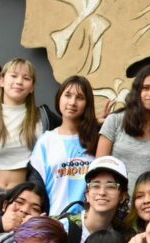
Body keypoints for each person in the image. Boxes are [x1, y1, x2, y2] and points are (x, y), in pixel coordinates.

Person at [97, 65, 150, 192]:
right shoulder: (115, 120)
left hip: (145, 203)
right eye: (146, 88)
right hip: (113, 203)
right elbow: (98, 167)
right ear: (137, 91)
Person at [30, 76, 99, 217]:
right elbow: (36, 187)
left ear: (87, 103)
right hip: (55, 221)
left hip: (91, 222)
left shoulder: (97, 140)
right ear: (59, 98)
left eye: (80, 98)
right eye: (67, 95)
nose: (72, 102)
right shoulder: (46, 141)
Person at [0, 59, 50, 190]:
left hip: (26, 198)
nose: (19, 82)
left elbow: (69, 127)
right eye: (13, 76)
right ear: (1, 81)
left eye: (26, 78)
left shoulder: (43, 118)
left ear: (32, 87)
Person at [60, 156, 129, 243]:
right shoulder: (64, 229)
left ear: (122, 196)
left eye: (111, 186)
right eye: (96, 186)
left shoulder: (121, 237)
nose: (102, 192)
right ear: (87, 194)